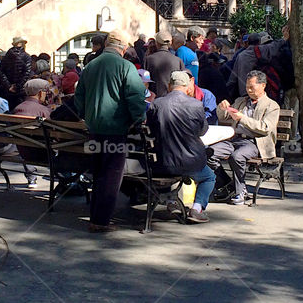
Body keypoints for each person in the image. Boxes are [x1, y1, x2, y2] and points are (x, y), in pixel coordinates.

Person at [74, 31, 147, 232]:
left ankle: (95, 217)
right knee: (111, 176)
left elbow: (78, 97)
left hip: (93, 130)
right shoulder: (126, 66)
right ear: (123, 48)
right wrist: (139, 118)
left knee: (97, 173)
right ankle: (101, 221)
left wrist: (86, 114)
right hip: (115, 130)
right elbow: (135, 96)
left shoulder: (90, 66)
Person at [147, 71, 215, 223]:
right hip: (191, 162)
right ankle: (197, 208)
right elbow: (203, 130)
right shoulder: (196, 105)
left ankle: (171, 201)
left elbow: (150, 129)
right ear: (186, 86)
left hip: (161, 163)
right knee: (209, 177)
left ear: (170, 86)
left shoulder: (157, 104)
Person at [209, 70, 280, 205]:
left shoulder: (272, 106)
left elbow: (265, 128)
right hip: (234, 139)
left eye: (252, 87)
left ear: (263, 85)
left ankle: (240, 190)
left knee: (237, 156)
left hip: (255, 142)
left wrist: (243, 119)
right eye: (247, 86)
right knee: (208, 152)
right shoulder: (241, 101)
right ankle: (227, 183)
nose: (248, 90)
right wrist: (223, 107)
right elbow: (223, 117)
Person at [11, 78, 52, 188]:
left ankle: (31, 178)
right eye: (46, 92)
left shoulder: (17, 109)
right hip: (43, 153)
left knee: (26, 143)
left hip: (23, 151)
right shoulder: (43, 110)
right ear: (40, 93)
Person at [143, 30, 185, 98]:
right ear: (170, 43)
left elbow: (144, 81)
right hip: (172, 99)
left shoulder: (148, 60)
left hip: (154, 99)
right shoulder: (178, 61)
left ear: (157, 43)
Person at [0, 36, 33, 109]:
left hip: (7, 91)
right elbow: (26, 74)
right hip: (20, 91)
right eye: (23, 43)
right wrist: (18, 86)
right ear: (19, 44)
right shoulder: (26, 57)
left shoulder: (6, 56)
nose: (25, 45)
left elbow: (1, 72)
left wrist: (8, 86)